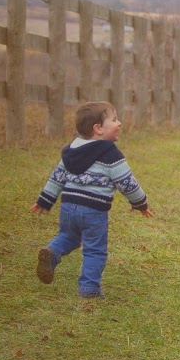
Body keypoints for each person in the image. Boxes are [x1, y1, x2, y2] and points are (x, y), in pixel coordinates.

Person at [30, 101, 153, 299]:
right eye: (114, 120)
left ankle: (52, 252)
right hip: (94, 212)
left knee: (69, 236)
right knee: (95, 250)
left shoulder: (71, 150)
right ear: (98, 129)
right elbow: (127, 183)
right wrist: (140, 204)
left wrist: (45, 200)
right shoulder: (110, 154)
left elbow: (57, 176)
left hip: (68, 208)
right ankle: (89, 289)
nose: (119, 123)